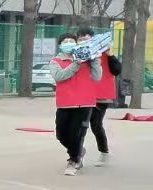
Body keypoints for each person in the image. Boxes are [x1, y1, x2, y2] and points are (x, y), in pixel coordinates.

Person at [51, 31, 102, 176]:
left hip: (85, 103)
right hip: (65, 103)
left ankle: (74, 161)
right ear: (60, 45)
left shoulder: (88, 59)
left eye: (71, 41)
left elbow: (97, 77)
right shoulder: (56, 61)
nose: (69, 44)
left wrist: (95, 60)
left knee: (77, 134)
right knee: (61, 134)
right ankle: (78, 152)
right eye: (65, 42)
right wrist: (76, 64)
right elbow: (59, 76)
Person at [79, 27, 120, 166]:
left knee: (96, 124)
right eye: (81, 39)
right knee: (81, 125)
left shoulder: (104, 53)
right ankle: (77, 154)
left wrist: (111, 55)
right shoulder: (79, 55)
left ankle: (104, 152)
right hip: (83, 95)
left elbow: (117, 70)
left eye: (87, 38)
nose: (84, 41)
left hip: (101, 95)